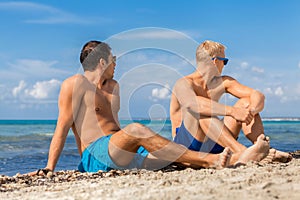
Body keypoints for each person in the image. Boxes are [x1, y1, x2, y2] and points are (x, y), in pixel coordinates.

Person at [29, 40, 269, 176]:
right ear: (101, 61)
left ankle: (240, 157)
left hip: (124, 151)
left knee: (173, 156)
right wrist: (50, 168)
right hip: (97, 154)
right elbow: (61, 128)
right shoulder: (74, 84)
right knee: (138, 129)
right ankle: (212, 161)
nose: (116, 65)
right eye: (114, 60)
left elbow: (114, 128)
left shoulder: (114, 86)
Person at [170, 40, 292, 165]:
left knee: (246, 102)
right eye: (225, 61)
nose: (224, 65)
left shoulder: (224, 82)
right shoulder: (183, 83)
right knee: (201, 112)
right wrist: (233, 111)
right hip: (188, 147)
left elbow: (257, 95)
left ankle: (262, 149)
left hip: (216, 145)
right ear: (215, 61)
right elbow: (193, 104)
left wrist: (251, 111)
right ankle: (243, 152)